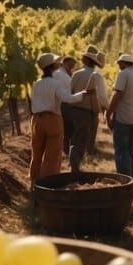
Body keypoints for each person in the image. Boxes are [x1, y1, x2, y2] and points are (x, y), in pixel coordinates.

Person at [29, 53, 87, 185]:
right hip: (52, 119)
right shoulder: (55, 84)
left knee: (36, 153)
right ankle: (47, 184)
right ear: (53, 66)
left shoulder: (36, 84)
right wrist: (83, 94)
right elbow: (68, 98)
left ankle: (34, 182)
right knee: (52, 155)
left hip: (36, 120)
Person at [69, 47, 109, 171]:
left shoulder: (76, 74)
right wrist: (108, 109)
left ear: (85, 60)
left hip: (75, 110)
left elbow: (71, 92)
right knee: (86, 139)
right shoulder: (97, 76)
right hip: (89, 112)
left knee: (75, 138)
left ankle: (74, 163)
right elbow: (102, 97)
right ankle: (77, 166)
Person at [106, 54, 133, 178]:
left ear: (123, 63)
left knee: (121, 150)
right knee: (130, 151)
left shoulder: (123, 74)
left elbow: (118, 95)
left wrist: (108, 113)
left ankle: (124, 179)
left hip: (123, 118)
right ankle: (130, 177)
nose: (118, 65)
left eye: (119, 63)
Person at [54, 55, 78, 154]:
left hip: (65, 104)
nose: (71, 67)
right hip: (65, 104)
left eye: (72, 66)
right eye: (70, 65)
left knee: (66, 130)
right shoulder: (60, 74)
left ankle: (66, 151)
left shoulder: (64, 74)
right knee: (69, 130)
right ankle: (67, 152)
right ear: (64, 63)